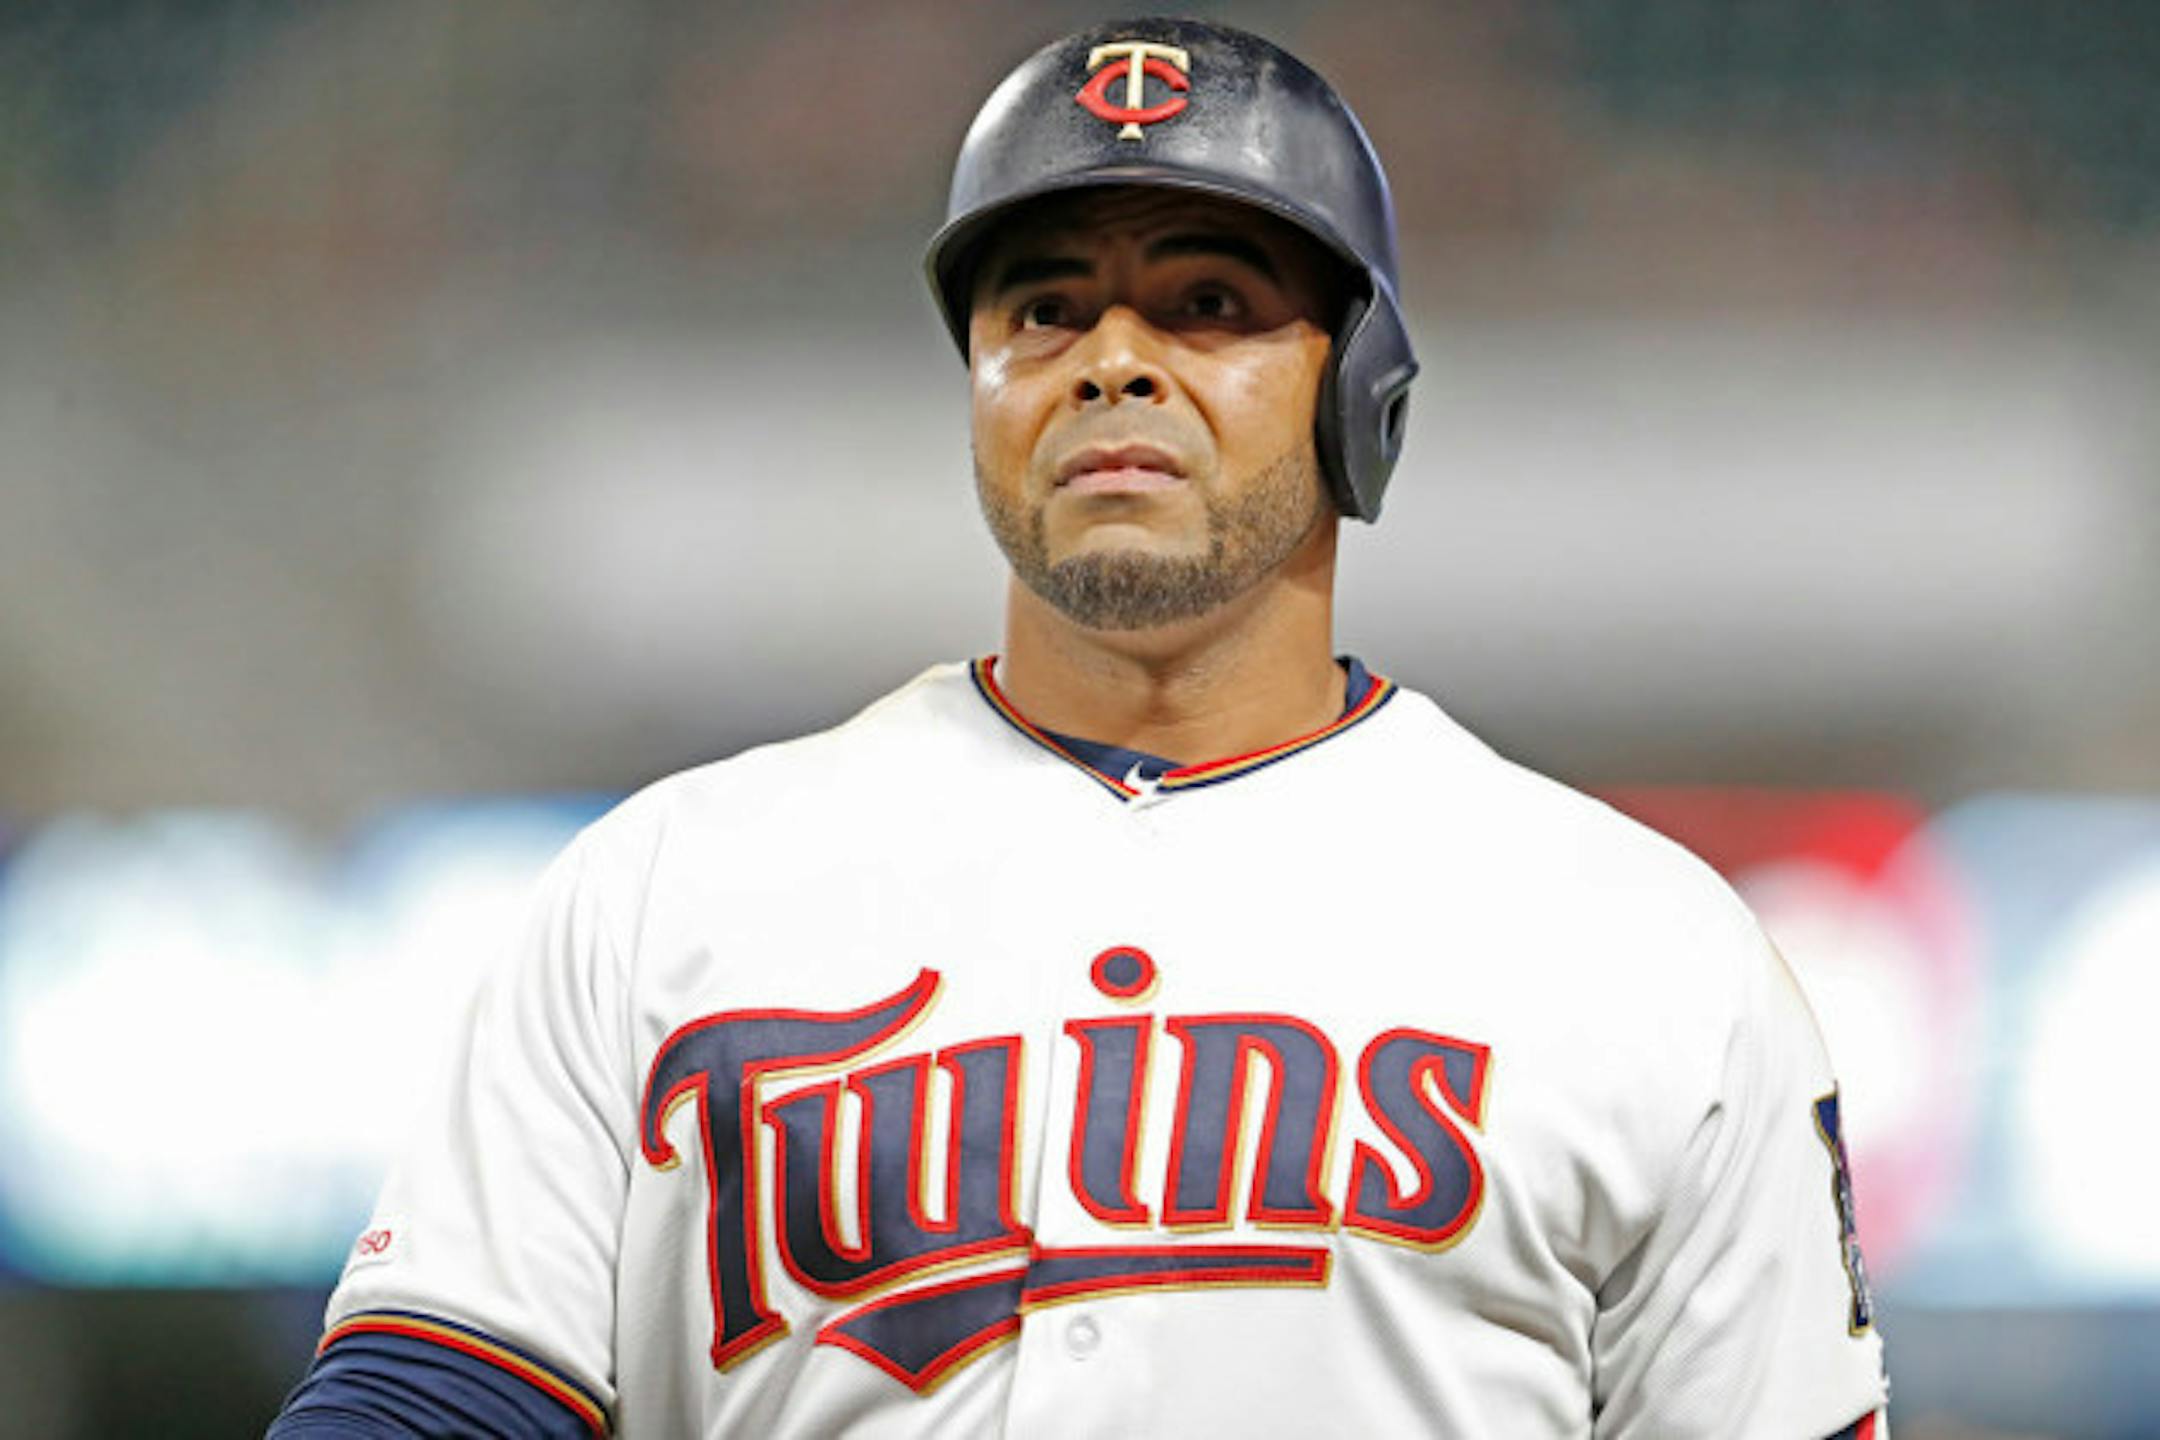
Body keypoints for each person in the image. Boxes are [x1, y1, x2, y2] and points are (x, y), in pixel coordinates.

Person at [270, 18, 1888, 1438]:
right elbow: (431, 1396)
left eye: (1207, 301)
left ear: (1361, 389)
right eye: (1045, 310)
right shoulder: (660, 895)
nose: (1112, 363)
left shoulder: (1640, 948)